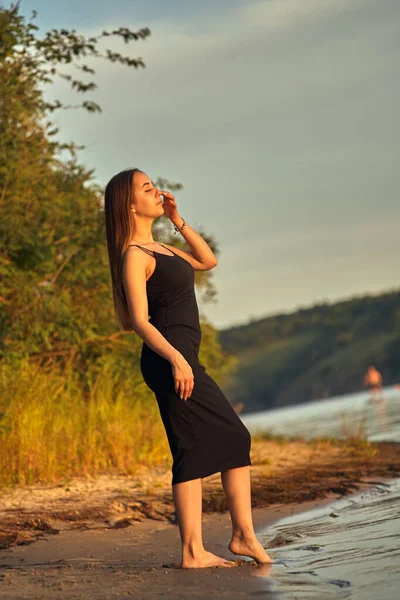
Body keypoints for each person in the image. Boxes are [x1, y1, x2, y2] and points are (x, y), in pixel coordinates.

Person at [104, 168, 272, 569]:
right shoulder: (134, 255)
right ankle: (198, 550)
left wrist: (177, 219)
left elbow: (207, 260)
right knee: (206, 443)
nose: (156, 191)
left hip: (185, 359)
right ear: (130, 205)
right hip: (169, 361)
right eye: (147, 189)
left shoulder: (162, 247)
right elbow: (140, 320)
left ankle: (240, 536)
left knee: (225, 440)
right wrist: (177, 359)